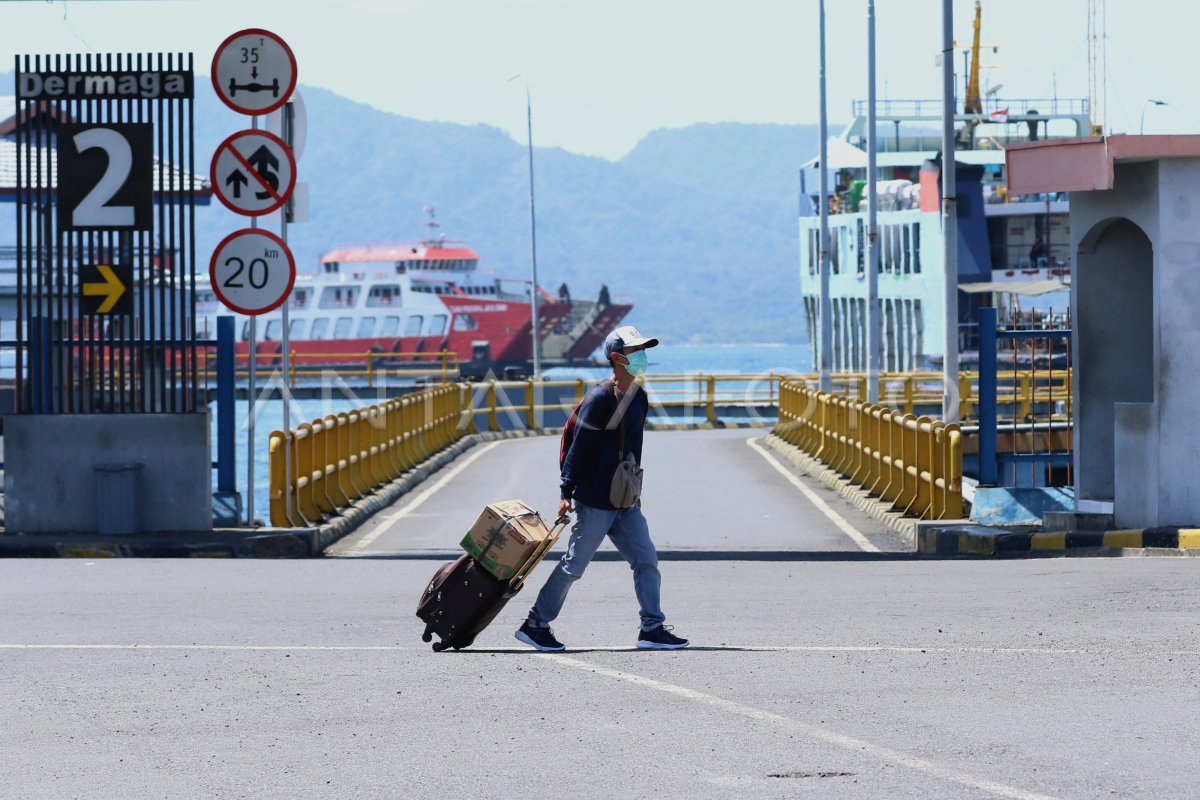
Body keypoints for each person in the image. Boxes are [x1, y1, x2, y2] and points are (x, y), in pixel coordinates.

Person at [515, 325, 689, 652]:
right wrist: (565, 492)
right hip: (594, 500)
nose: (642, 357)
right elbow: (579, 448)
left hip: (624, 500)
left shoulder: (638, 396)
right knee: (574, 565)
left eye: (643, 351)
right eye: (635, 351)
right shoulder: (598, 398)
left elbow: (633, 446)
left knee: (646, 559)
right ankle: (535, 624)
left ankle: (651, 627)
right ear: (616, 357)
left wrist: (633, 483)